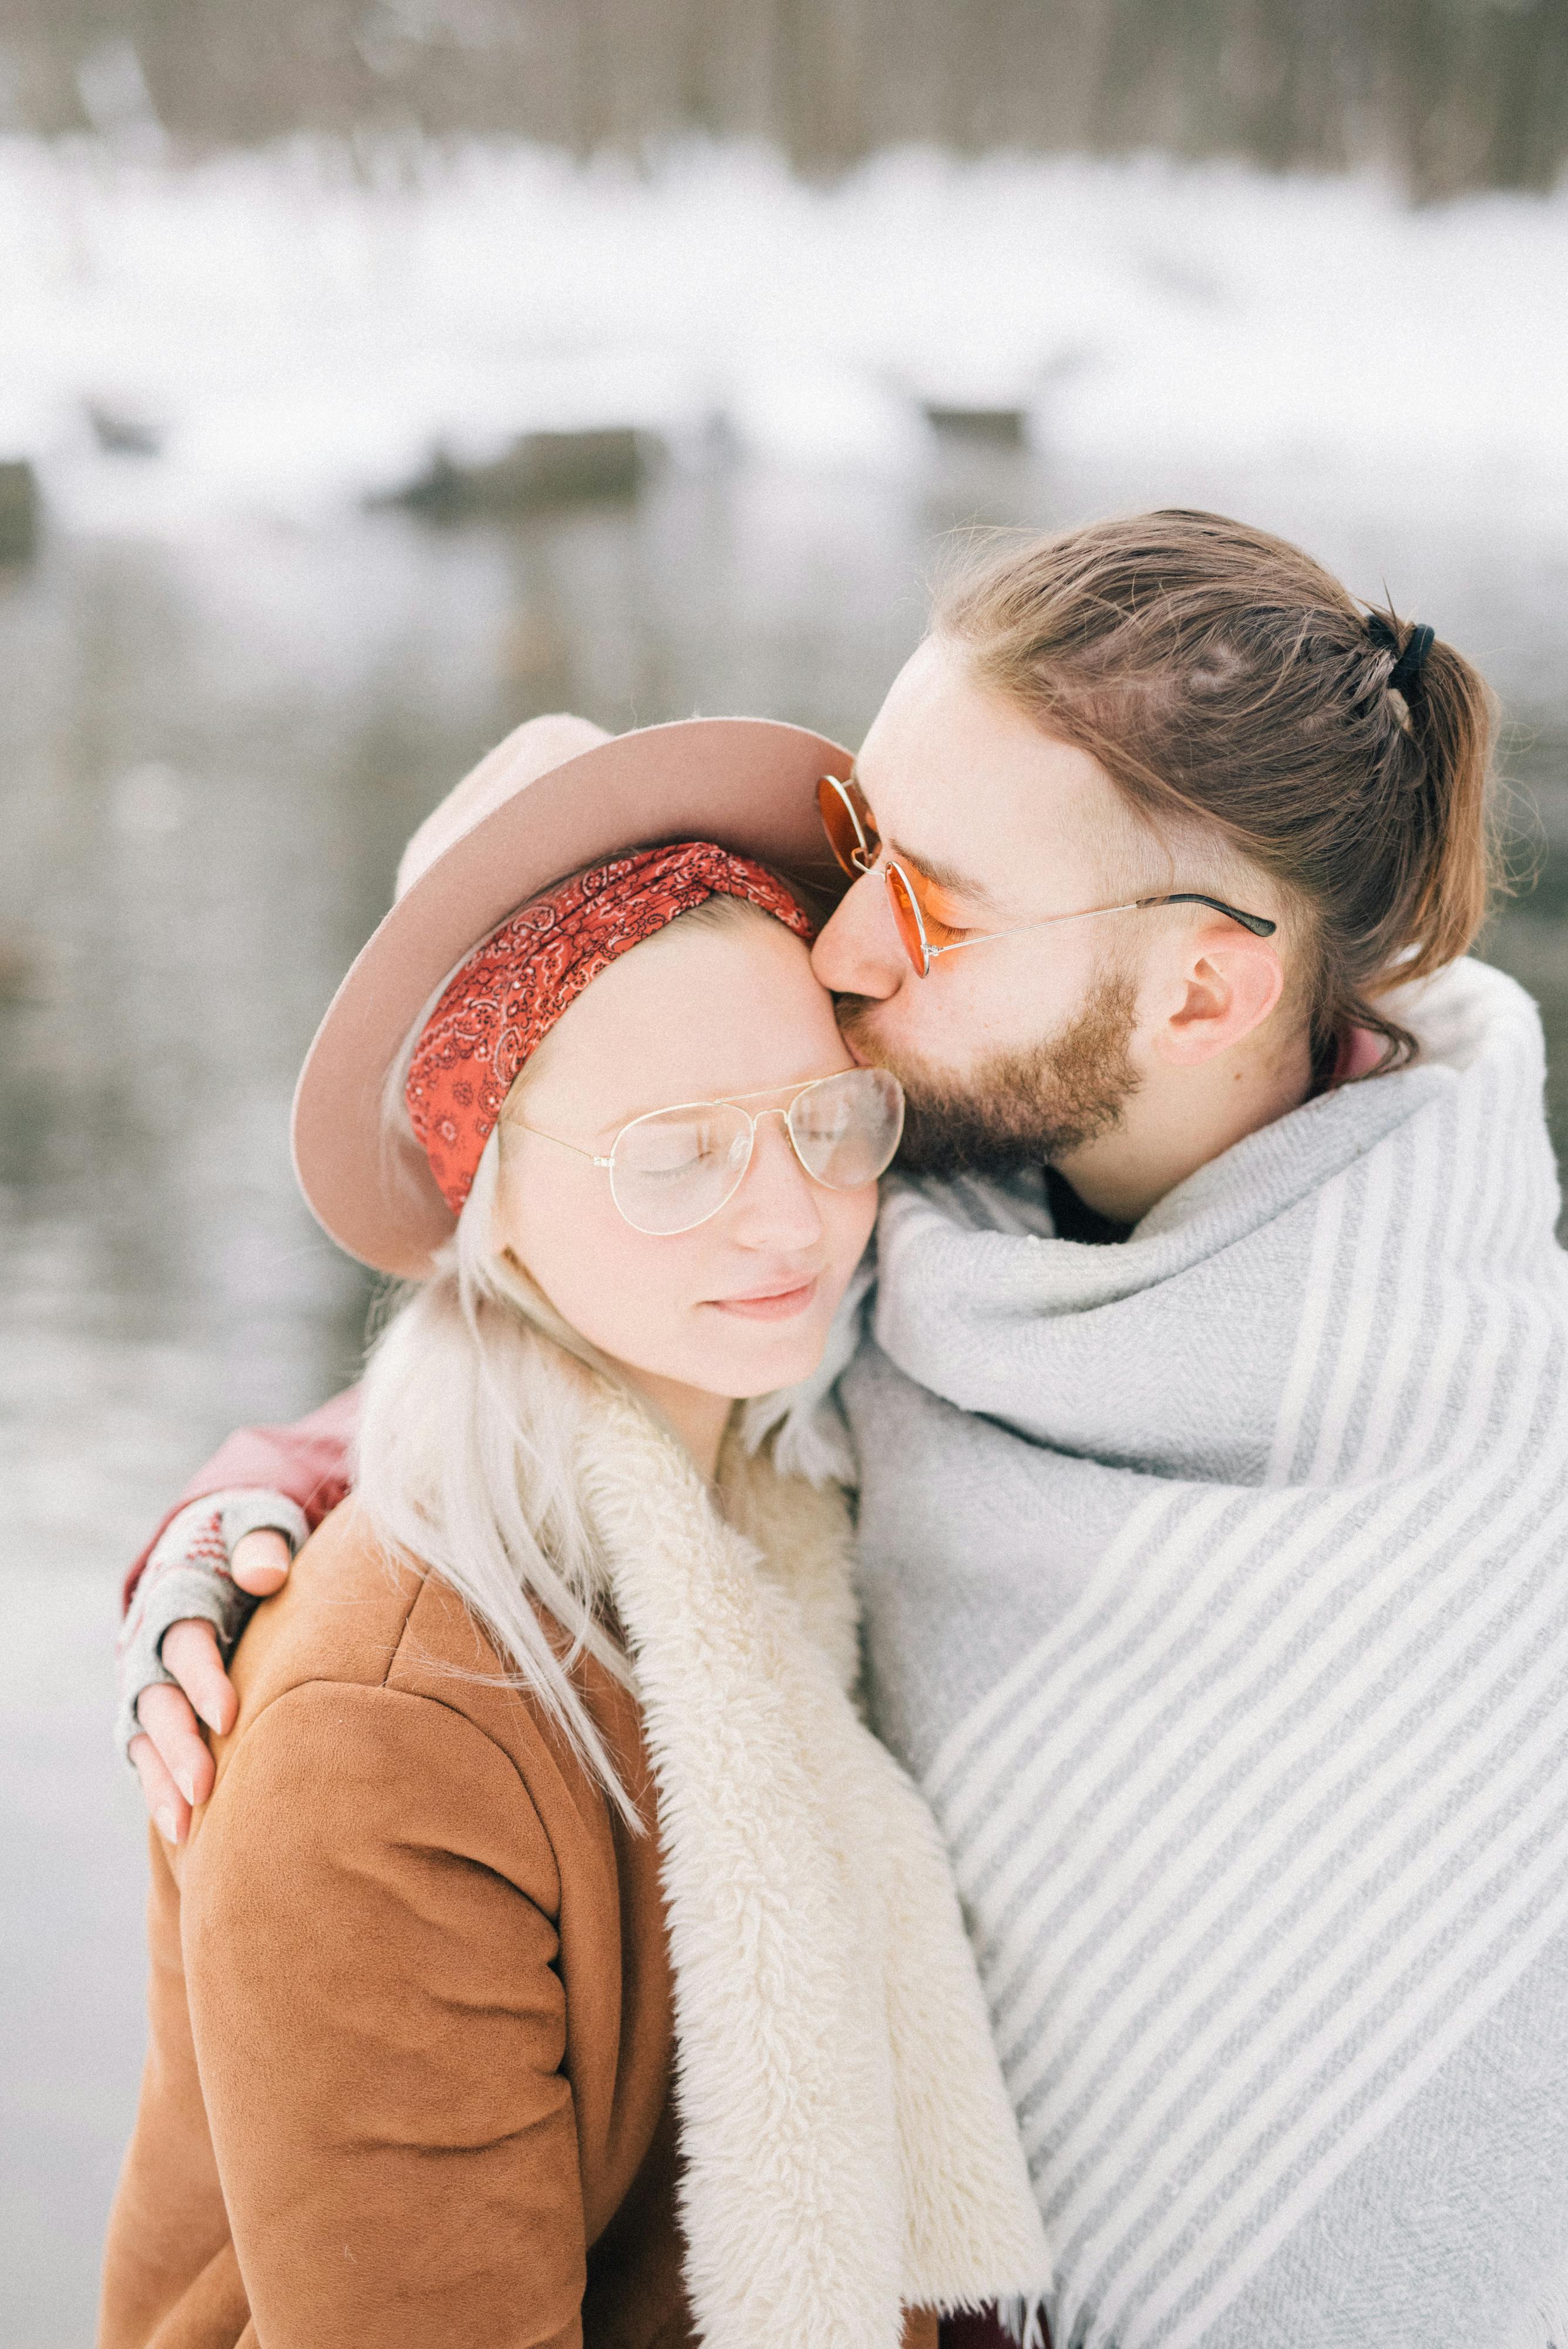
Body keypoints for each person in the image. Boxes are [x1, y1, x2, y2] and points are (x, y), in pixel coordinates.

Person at [119, 512, 1568, 2348]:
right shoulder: (924, 1230)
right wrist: (263, 1494)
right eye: (862, 849)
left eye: (938, 902)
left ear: (1206, 991)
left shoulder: (1502, 1470)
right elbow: (558, 1285)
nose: (849, 944)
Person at [98, 712, 1051, 2349]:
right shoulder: (386, 1731)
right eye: (672, 1155)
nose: (789, 1217)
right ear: (494, 1198)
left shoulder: (803, 1472)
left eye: (830, 1121)